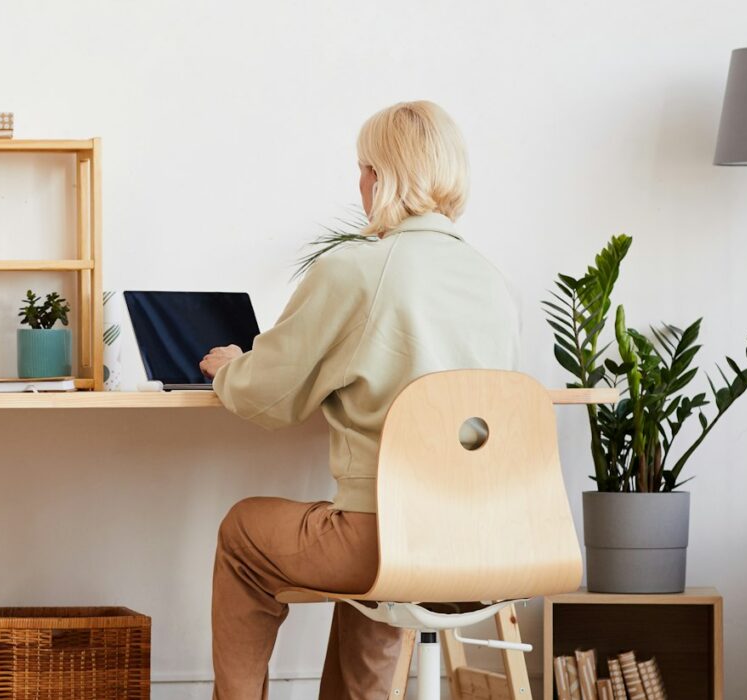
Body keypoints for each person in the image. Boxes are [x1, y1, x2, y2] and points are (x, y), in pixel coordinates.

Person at [198, 100, 520, 699]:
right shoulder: (493, 283)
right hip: (484, 541)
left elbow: (269, 398)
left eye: (363, 169)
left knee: (243, 533)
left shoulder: (358, 271)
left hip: (385, 544)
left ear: (381, 176)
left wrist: (230, 369)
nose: (361, 183)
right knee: (378, 549)